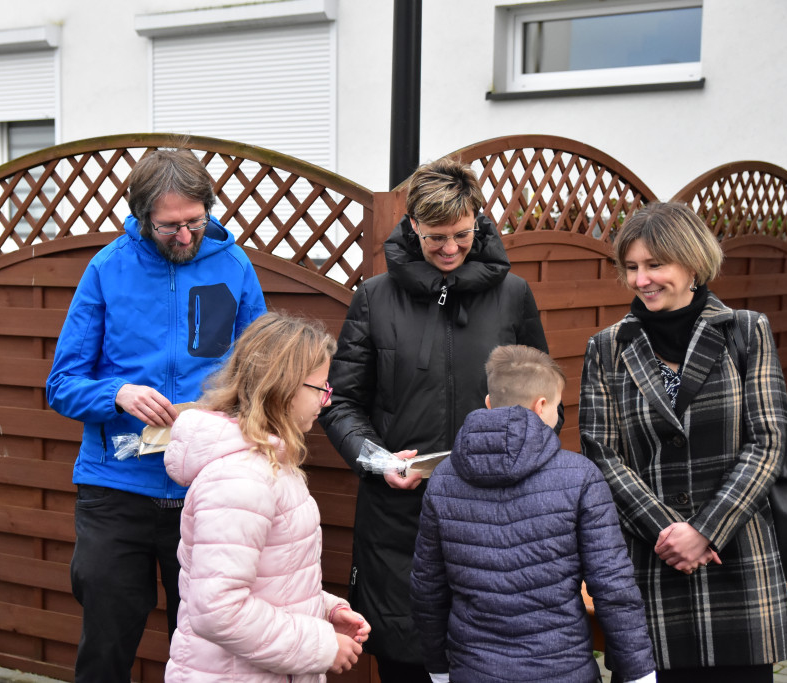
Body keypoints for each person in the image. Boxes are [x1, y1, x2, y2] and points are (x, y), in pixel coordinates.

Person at [319, 156, 553, 682]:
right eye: (435, 238)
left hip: (496, 512)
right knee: (407, 660)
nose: (449, 249)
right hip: (399, 520)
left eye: (462, 235)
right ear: (413, 227)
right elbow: (340, 402)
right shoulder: (374, 297)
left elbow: (543, 399)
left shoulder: (513, 294)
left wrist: (522, 453)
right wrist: (377, 460)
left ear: (478, 221)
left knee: (491, 658)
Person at [45, 146, 267, 682]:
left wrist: (234, 409)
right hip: (116, 490)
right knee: (105, 648)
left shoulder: (235, 266)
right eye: (170, 228)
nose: (185, 237)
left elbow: (261, 372)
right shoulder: (106, 270)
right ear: (143, 218)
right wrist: (116, 394)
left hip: (207, 491)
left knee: (205, 656)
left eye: (194, 222)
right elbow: (61, 384)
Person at [579, 202, 787, 683]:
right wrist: (669, 533)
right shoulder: (606, 348)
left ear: (692, 263)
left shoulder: (746, 331)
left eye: (655, 265)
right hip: (653, 564)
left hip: (735, 560)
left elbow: (768, 441)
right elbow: (602, 453)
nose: (641, 280)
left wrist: (705, 531)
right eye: (632, 268)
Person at [410, 345, 656, 683]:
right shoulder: (580, 477)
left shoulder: (443, 480)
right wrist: (639, 674)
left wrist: (437, 667)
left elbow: (428, 588)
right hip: (564, 672)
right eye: (557, 406)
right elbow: (613, 587)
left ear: (488, 403)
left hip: (474, 672)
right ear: (542, 407)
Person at [162, 312, 371, 682]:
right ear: (284, 386)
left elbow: (272, 577)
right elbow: (218, 609)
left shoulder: (271, 464)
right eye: (321, 388)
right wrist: (321, 645)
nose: (326, 402)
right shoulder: (239, 479)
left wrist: (324, 610)